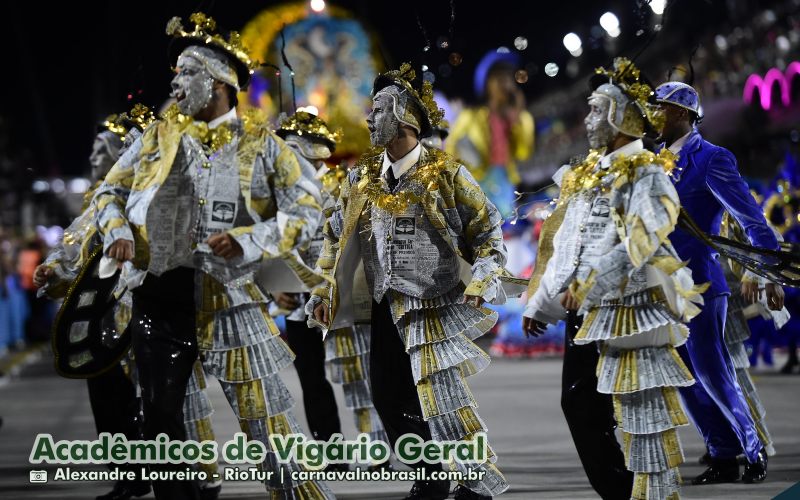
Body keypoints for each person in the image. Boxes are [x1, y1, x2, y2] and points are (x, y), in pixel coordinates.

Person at [75, 13, 332, 500]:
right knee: (165, 418)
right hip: (157, 296)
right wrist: (115, 233)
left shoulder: (262, 145)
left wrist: (252, 240)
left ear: (218, 84)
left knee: (264, 415)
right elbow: (109, 192)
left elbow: (307, 207)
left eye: (186, 73)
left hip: (229, 296)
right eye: (175, 74)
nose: (175, 83)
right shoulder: (155, 139)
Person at [307, 63, 510, 500]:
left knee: (443, 401)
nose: (368, 118)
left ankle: (477, 483)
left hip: (430, 304)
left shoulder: (447, 174)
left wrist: (484, 278)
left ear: (403, 119)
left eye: (377, 109)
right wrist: (325, 288)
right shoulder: (361, 177)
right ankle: (431, 472)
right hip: (384, 304)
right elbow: (334, 235)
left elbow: (488, 231)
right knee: (386, 400)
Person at [524, 58, 705, 500]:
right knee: (580, 404)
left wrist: (589, 283)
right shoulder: (587, 173)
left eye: (595, 109)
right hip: (583, 307)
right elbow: (565, 242)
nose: (586, 119)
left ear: (621, 115)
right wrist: (541, 302)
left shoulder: (646, 169)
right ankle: (624, 493)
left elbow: (643, 242)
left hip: (631, 311)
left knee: (640, 412)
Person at [35, 108, 222, 500]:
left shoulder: (147, 193)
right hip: (103, 321)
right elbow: (75, 245)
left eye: (101, 150)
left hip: (147, 309)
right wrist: (53, 270)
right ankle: (130, 477)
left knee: (167, 403)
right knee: (109, 404)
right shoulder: (98, 201)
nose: (92, 158)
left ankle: (197, 477)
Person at [655, 81, 784, 484]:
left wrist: (762, 272)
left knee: (713, 374)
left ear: (681, 113)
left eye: (659, 108)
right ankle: (722, 453)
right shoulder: (654, 161)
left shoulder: (711, 158)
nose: (652, 116)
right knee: (686, 380)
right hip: (663, 288)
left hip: (703, 284)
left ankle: (753, 448)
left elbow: (752, 220)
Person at [273, 109, 389, 457]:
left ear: (314, 149)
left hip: (340, 295)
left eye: (291, 147)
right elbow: (276, 244)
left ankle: (375, 450)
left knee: (356, 373)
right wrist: (277, 285)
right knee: (310, 377)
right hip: (295, 300)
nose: (284, 156)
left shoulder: (346, 185)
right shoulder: (280, 191)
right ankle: (330, 451)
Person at [447, 49, 534, 219]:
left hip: (505, 180)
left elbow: (524, 153)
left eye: (508, 78)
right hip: (479, 182)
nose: (506, 83)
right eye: (499, 78)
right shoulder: (470, 117)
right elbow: (451, 150)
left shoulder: (518, 118)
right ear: (487, 83)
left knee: (507, 228)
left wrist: (518, 118)